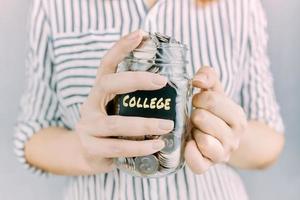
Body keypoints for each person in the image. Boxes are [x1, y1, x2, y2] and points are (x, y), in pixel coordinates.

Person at [14, 0, 285, 199]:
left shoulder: (240, 7)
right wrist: (84, 152)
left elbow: (270, 138)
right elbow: (32, 132)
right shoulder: (54, 6)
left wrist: (227, 138)